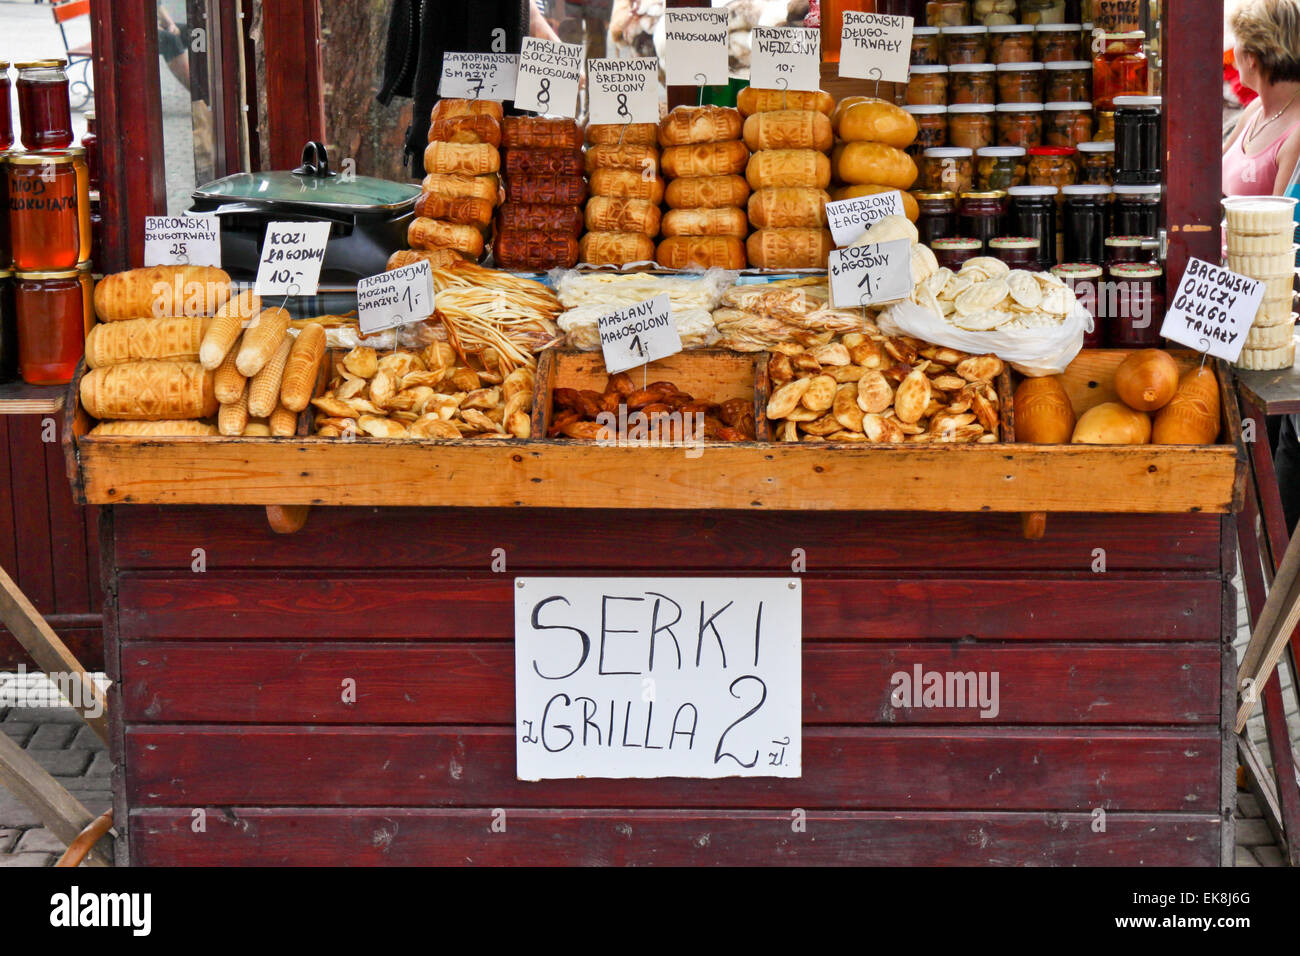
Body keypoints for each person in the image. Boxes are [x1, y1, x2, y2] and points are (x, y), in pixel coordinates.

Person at [1223, 0, 1300, 531]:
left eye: (1240, 47)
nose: (1234, 56)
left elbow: (1273, 234)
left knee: (1267, 444)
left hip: (1263, 309)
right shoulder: (1255, 112)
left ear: (1257, 55)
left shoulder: (1297, 127)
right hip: (1225, 294)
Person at [1222, 0, 1300, 197]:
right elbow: (1210, 172)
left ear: (1252, 58)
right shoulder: (1256, 109)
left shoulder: (1296, 133)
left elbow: (1279, 223)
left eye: (1236, 42)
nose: (1233, 52)